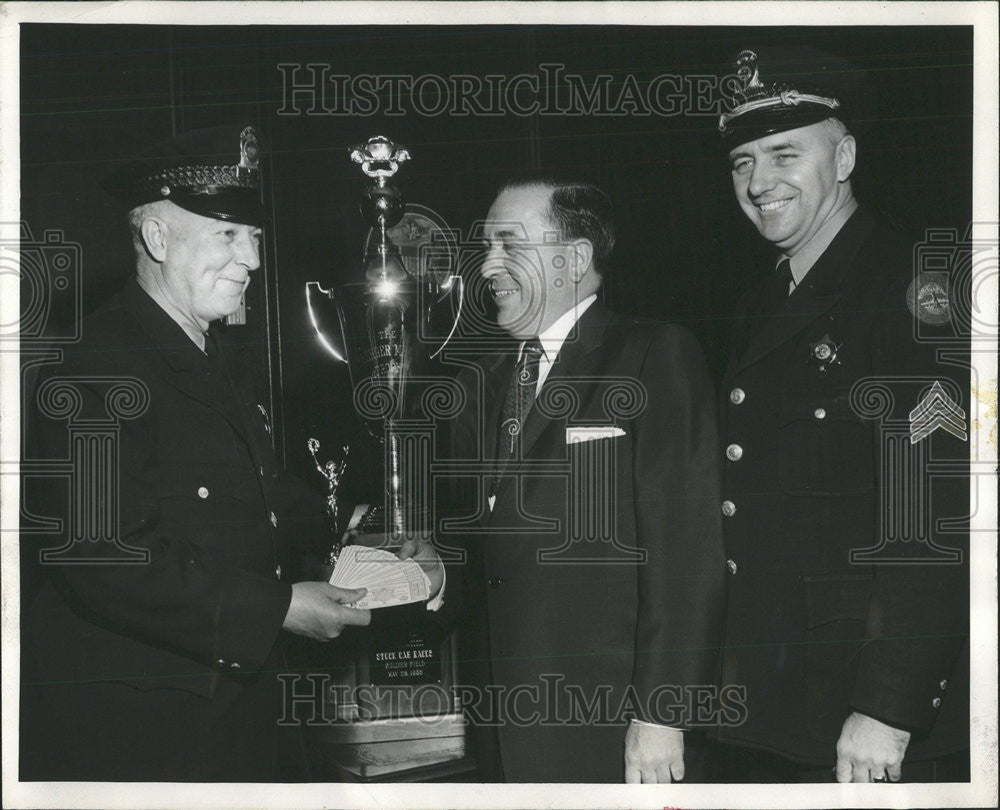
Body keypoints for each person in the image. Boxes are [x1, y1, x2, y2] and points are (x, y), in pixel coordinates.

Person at [19, 125, 441, 781]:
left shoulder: (211, 356)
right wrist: (276, 610)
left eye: (255, 239)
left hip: (236, 709)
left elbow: (264, 500)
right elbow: (103, 557)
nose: (250, 259)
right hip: (145, 731)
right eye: (226, 235)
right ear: (157, 239)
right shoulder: (91, 369)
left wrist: (365, 533)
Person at [713, 46, 969, 782]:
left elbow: (938, 511)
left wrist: (891, 705)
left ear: (846, 155)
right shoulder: (763, 301)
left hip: (870, 711)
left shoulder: (916, 286)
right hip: (777, 698)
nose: (759, 183)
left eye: (784, 153)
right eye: (741, 162)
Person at [444, 176, 726, 782]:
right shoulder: (481, 383)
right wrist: (431, 566)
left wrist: (663, 712)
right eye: (485, 246)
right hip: (501, 722)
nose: (487, 264)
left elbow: (686, 549)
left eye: (508, 244)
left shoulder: (653, 355)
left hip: (614, 726)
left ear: (572, 260)